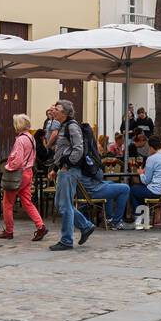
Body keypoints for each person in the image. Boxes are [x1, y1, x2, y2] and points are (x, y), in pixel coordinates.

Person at [47, 99, 95, 251]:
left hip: (69, 170)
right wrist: (56, 167)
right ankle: (85, 226)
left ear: (65, 112)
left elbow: (78, 148)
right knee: (61, 204)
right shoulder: (63, 126)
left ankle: (67, 240)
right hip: (63, 169)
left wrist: (68, 164)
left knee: (65, 205)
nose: (53, 110)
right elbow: (62, 150)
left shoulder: (72, 126)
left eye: (57, 108)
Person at [0, 113, 47, 242]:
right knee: (27, 202)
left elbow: (18, 160)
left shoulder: (20, 140)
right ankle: (40, 225)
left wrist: (8, 166)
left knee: (7, 203)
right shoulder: (31, 138)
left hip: (18, 174)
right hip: (28, 172)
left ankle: (9, 231)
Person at [130, 133, 161, 221]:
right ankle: (145, 217)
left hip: (157, 192)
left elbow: (146, 181)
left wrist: (141, 173)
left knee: (133, 190)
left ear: (151, 147)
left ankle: (140, 219)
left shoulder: (152, 158)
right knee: (140, 190)